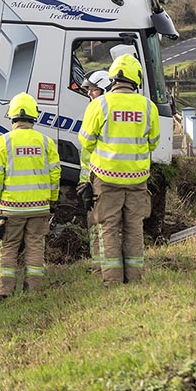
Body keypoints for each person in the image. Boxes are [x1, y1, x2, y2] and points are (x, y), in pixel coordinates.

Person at [78, 55, 160, 286]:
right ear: (136, 79)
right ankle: (134, 279)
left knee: (108, 228)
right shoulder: (147, 106)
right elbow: (153, 142)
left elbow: (85, 141)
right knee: (134, 228)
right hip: (137, 179)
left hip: (106, 177)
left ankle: (112, 280)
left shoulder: (100, 104)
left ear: (113, 78)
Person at [0, 93, 60, 299]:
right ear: (34, 116)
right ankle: (33, 291)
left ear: (12, 116)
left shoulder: (3, 142)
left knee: (8, 247)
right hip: (39, 207)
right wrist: (52, 200)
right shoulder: (46, 142)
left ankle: (4, 293)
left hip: (11, 207)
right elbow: (55, 174)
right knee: (35, 246)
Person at [81, 70, 113, 273]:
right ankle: (100, 265)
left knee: (101, 224)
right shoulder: (97, 110)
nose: (89, 94)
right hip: (91, 178)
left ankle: (102, 266)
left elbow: (86, 142)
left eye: (93, 90)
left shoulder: (101, 111)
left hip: (99, 178)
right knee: (95, 225)